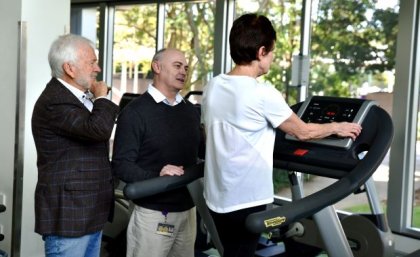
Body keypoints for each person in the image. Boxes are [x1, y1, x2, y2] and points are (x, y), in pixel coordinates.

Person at [201, 13, 363, 257]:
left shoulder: (213, 86)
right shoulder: (262, 93)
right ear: (261, 51)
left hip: (216, 195)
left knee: (232, 251)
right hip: (246, 199)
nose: (273, 58)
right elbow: (303, 132)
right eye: (272, 52)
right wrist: (336, 127)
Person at [31, 34, 119, 257]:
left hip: (88, 210)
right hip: (70, 214)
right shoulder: (55, 100)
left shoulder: (78, 97)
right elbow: (97, 130)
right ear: (70, 68)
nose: (97, 69)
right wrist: (102, 99)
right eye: (92, 62)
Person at [112, 48, 202, 257]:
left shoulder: (191, 111)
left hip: (188, 210)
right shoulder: (134, 113)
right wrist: (157, 175)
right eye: (177, 66)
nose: (183, 72)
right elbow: (122, 165)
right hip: (153, 214)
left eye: (186, 68)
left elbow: (199, 151)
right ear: (157, 67)